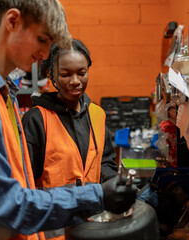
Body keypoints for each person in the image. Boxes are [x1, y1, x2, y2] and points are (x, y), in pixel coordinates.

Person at [0, 1, 137, 240]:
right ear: (12, 21)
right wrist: (97, 196)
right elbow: (8, 205)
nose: (43, 55)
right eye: (42, 39)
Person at [22, 39, 118, 239]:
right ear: (52, 76)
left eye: (82, 73)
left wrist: (114, 184)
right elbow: (25, 181)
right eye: (66, 74)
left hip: (92, 227)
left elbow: (105, 162)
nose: (75, 81)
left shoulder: (97, 115)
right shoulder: (37, 119)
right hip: (53, 230)